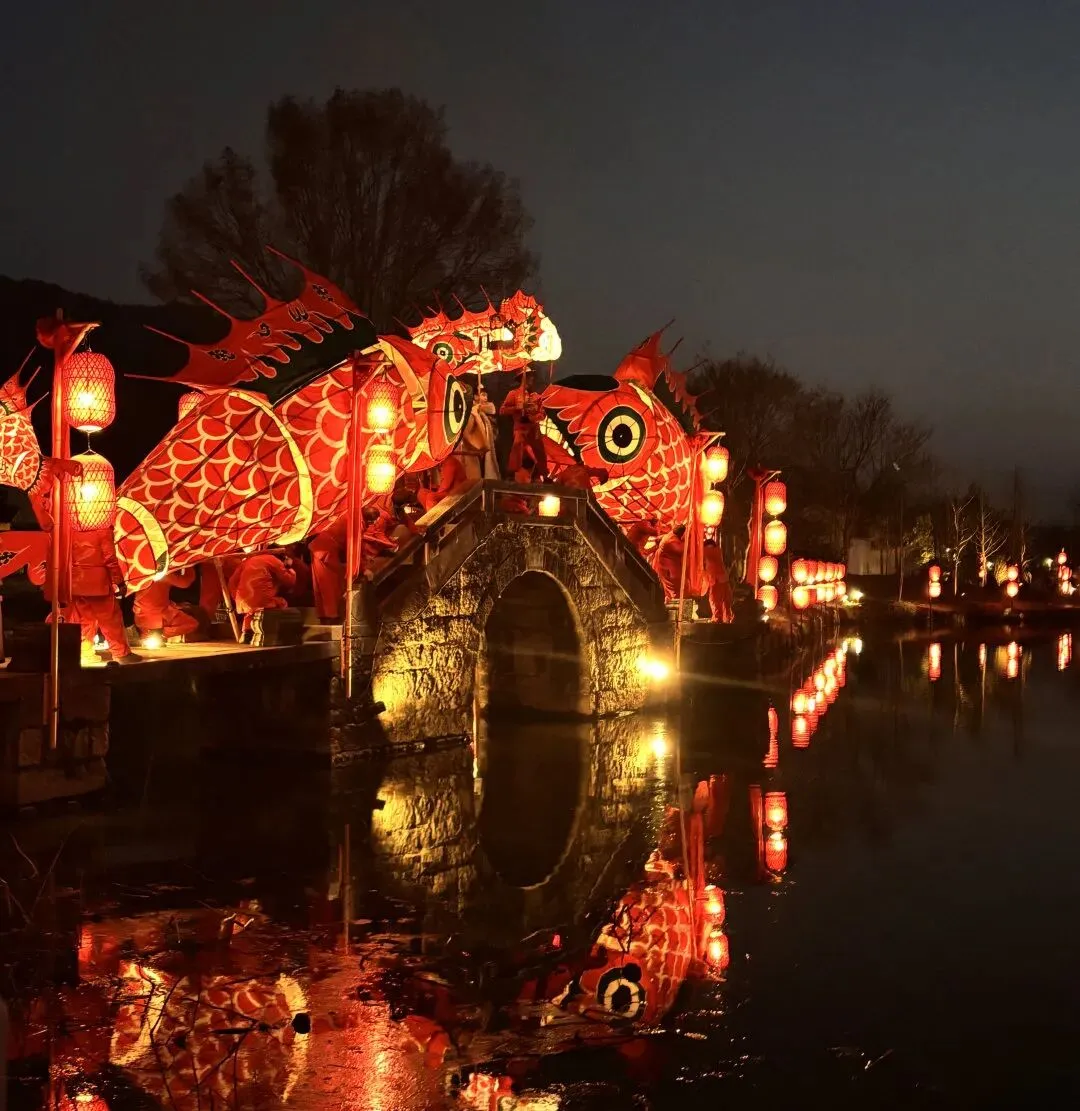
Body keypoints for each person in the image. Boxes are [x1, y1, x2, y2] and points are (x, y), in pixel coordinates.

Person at [49, 527, 137, 663]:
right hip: (98, 582)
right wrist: (119, 581)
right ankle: (121, 653)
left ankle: (84, 651)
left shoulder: (70, 529)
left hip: (76, 581)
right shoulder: (102, 529)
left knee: (84, 618)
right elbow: (110, 558)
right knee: (110, 619)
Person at [228, 550, 296, 646]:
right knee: (282, 603)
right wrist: (290, 568)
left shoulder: (247, 560)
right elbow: (289, 581)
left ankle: (246, 633)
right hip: (261, 600)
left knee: (251, 611)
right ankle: (273, 632)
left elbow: (232, 581)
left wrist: (237, 597)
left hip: (243, 599)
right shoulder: (274, 560)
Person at [501, 373, 548, 480]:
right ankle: (512, 472)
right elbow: (503, 410)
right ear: (523, 379)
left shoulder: (537, 396)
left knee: (539, 450)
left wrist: (532, 418)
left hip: (534, 429)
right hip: (520, 428)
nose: (532, 379)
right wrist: (517, 409)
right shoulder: (513, 394)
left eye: (532, 377)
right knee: (517, 445)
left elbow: (543, 414)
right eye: (529, 377)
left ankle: (544, 474)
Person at [133, 568, 199, 642]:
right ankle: (159, 634)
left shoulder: (139, 573)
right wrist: (189, 565)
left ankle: (149, 635)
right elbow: (185, 582)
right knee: (192, 623)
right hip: (160, 618)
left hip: (141, 619)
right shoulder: (163, 575)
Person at [309, 514, 347, 621]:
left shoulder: (345, 517)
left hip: (322, 547)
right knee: (329, 584)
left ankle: (326, 614)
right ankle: (331, 614)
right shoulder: (350, 519)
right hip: (326, 549)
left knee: (323, 585)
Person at [702, 539, 734, 624]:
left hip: (716, 580)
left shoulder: (706, 551)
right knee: (725, 602)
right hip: (724, 579)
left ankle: (717, 620)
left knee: (715, 601)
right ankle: (727, 620)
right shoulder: (718, 551)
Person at [655, 526, 686, 600]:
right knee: (674, 592)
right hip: (668, 569)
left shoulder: (669, 536)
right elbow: (682, 550)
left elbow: (657, 539)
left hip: (665, 568)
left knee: (669, 591)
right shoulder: (672, 540)